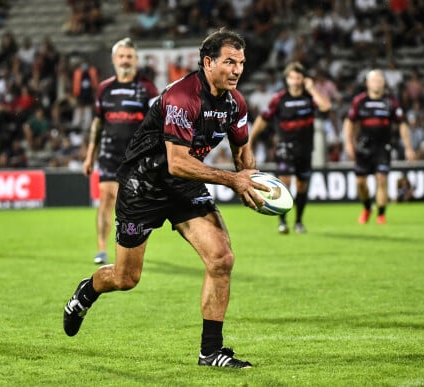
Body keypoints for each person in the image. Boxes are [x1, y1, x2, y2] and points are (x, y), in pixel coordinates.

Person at [64, 28, 268, 368]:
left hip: (184, 185)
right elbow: (177, 161)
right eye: (229, 62)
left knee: (222, 258)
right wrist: (233, 181)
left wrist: (253, 181)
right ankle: (87, 292)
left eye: (241, 63)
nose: (237, 70)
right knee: (126, 278)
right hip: (143, 184)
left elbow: (242, 154)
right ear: (208, 62)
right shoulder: (182, 96)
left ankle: (211, 351)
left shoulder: (236, 104)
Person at [82, 37, 159, 265]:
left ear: (135, 60)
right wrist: (89, 155)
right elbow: (97, 123)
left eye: (129, 57)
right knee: (106, 198)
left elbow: (157, 122)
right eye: (121, 56)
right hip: (108, 154)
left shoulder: (147, 87)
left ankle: (130, 245)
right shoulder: (104, 88)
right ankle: (102, 249)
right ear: (114, 59)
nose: (125, 61)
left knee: (131, 204)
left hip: (136, 156)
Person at [248, 61, 331, 234]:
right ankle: (282, 221)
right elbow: (263, 119)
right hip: (285, 147)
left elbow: (326, 107)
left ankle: (299, 221)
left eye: (298, 77)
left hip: (305, 148)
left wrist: (312, 89)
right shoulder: (279, 99)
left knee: (302, 185)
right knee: (285, 183)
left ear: (303, 79)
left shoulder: (310, 98)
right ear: (287, 79)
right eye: (292, 77)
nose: (295, 81)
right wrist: (251, 140)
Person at [343, 69, 416, 225]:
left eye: (379, 80)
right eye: (373, 80)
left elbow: (402, 124)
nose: (377, 83)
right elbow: (349, 122)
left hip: (383, 147)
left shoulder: (391, 102)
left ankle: (381, 215)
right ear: (367, 83)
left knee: (381, 179)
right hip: (363, 148)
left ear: (383, 83)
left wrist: (409, 147)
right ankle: (367, 207)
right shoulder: (359, 101)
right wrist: (348, 144)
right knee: (360, 183)